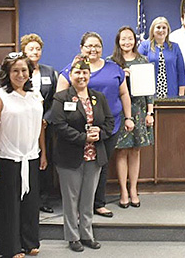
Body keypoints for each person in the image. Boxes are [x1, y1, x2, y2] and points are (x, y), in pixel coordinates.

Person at [57, 32, 134, 218]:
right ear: (81, 48)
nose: (93, 49)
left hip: (109, 126)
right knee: (79, 166)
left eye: (97, 46)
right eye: (89, 46)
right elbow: (60, 98)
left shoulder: (114, 68)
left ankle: (98, 203)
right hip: (78, 129)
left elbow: (124, 94)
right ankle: (78, 206)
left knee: (101, 164)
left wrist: (129, 117)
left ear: (102, 48)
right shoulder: (71, 70)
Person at [47, 57, 115, 252]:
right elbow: (59, 125)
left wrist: (99, 134)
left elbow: (109, 122)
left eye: (85, 72)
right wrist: (84, 138)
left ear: (89, 75)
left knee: (88, 198)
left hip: (94, 156)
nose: (81, 76)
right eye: (77, 72)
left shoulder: (98, 97)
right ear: (70, 75)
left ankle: (87, 234)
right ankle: (72, 236)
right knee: (71, 199)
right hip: (70, 156)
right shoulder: (62, 98)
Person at [0, 55, 46, 257]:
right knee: (10, 205)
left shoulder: (35, 95)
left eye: (24, 70)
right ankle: (10, 246)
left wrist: (43, 153)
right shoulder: (0, 96)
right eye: (15, 71)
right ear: (7, 73)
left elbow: (41, 126)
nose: (20, 74)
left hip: (31, 156)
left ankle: (30, 241)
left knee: (31, 202)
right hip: (8, 158)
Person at [110, 26, 154, 208]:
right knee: (121, 150)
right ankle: (123, 191)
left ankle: (134, 189)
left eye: (130, 38)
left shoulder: (142, 60)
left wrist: (150, 113)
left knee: (135, 150)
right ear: (118, 41)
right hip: (119, 111)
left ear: (135, 41)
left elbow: (149, 92)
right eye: (123, 39)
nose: (127, 42)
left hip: (139, 110)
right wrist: (122, 75)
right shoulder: (111, 62)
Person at [20, 33, 61, 214]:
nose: (34, 52)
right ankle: (26, 197)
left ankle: (44, 198)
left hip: (46, 124)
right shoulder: (19, 70)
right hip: (24, 123)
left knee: (46, 159)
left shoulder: (49, 72)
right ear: (24, 51)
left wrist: (46, 118)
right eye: (31, 49)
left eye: (38, 49)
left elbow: (55, 98)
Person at [140, 16, 185, 97]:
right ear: (152, 30)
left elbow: (181, 72)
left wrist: (181, 95)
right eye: (158, 27)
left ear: (168, 30)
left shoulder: (175, 47)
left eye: (164, 28)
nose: (161, 30)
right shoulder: (144, 46)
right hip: (150, 95)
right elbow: (138, 70)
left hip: (172, 93)